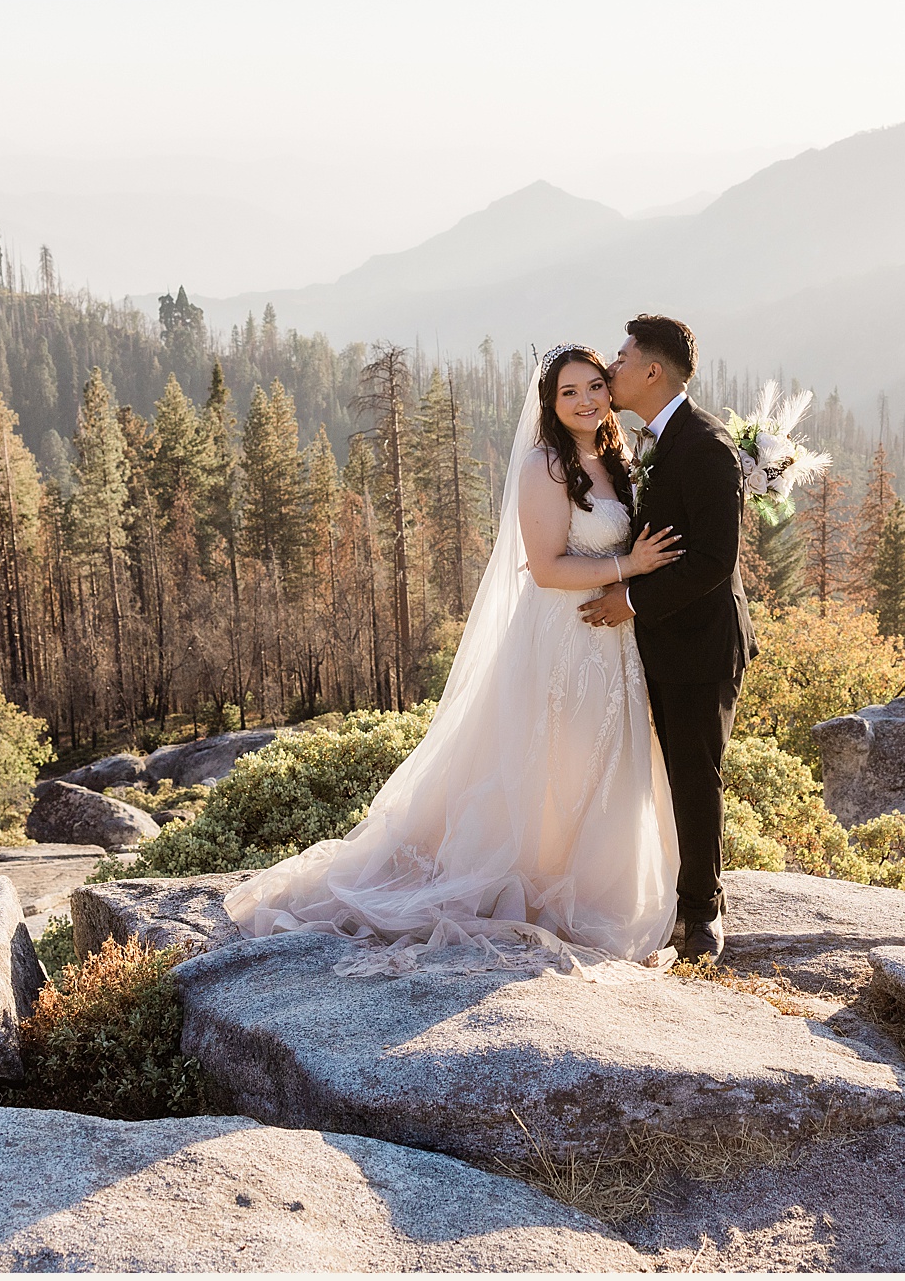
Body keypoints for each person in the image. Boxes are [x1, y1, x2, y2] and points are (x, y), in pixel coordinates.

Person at [224, 343, 685, 970]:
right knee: (548, 756)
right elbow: (547, 568)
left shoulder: (619, 458)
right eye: (568, 392)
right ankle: (527, 878)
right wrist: (629, 565)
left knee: (599, 759)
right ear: (550, 404)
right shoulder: (544, 465)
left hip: (612, 640)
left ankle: (590, 877)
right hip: (560, 636)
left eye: (594, 387)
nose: (585, 401)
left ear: (610, 390)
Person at [578, 313, 757, 963]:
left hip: (702, 646)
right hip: (660, 640)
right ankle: (671, 890)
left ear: (653, 371)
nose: (612, 369)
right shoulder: (654, 438)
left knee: (693, 772)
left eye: (622, 359)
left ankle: (704, 914)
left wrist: (628, 600)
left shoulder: (704, 445)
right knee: (663, 771)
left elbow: (713, 560)